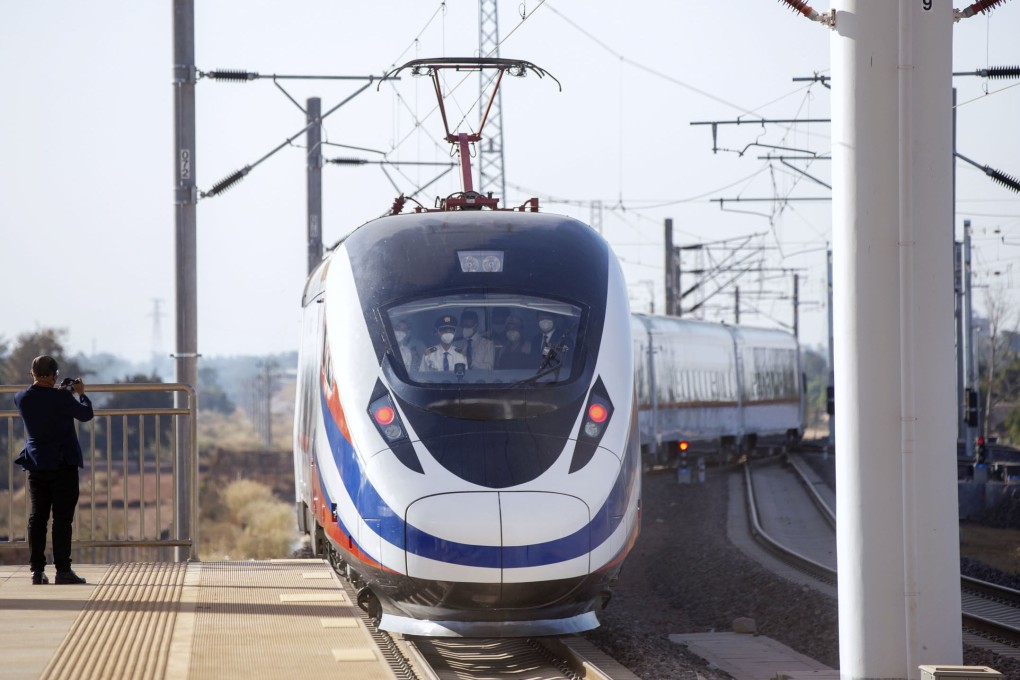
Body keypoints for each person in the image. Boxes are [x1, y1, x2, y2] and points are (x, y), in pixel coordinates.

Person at [14, 355, 93, 585]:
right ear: (54, 375)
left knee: (38, 517)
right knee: (62, 519)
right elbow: (86, 414)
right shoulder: (62, 399)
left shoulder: (21, 398)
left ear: (32, 374)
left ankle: (37, 571)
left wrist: (60, 393)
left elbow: (42, 404)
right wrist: (80, 393)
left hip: (36, 463)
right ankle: (63, 570)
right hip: (62, 464)